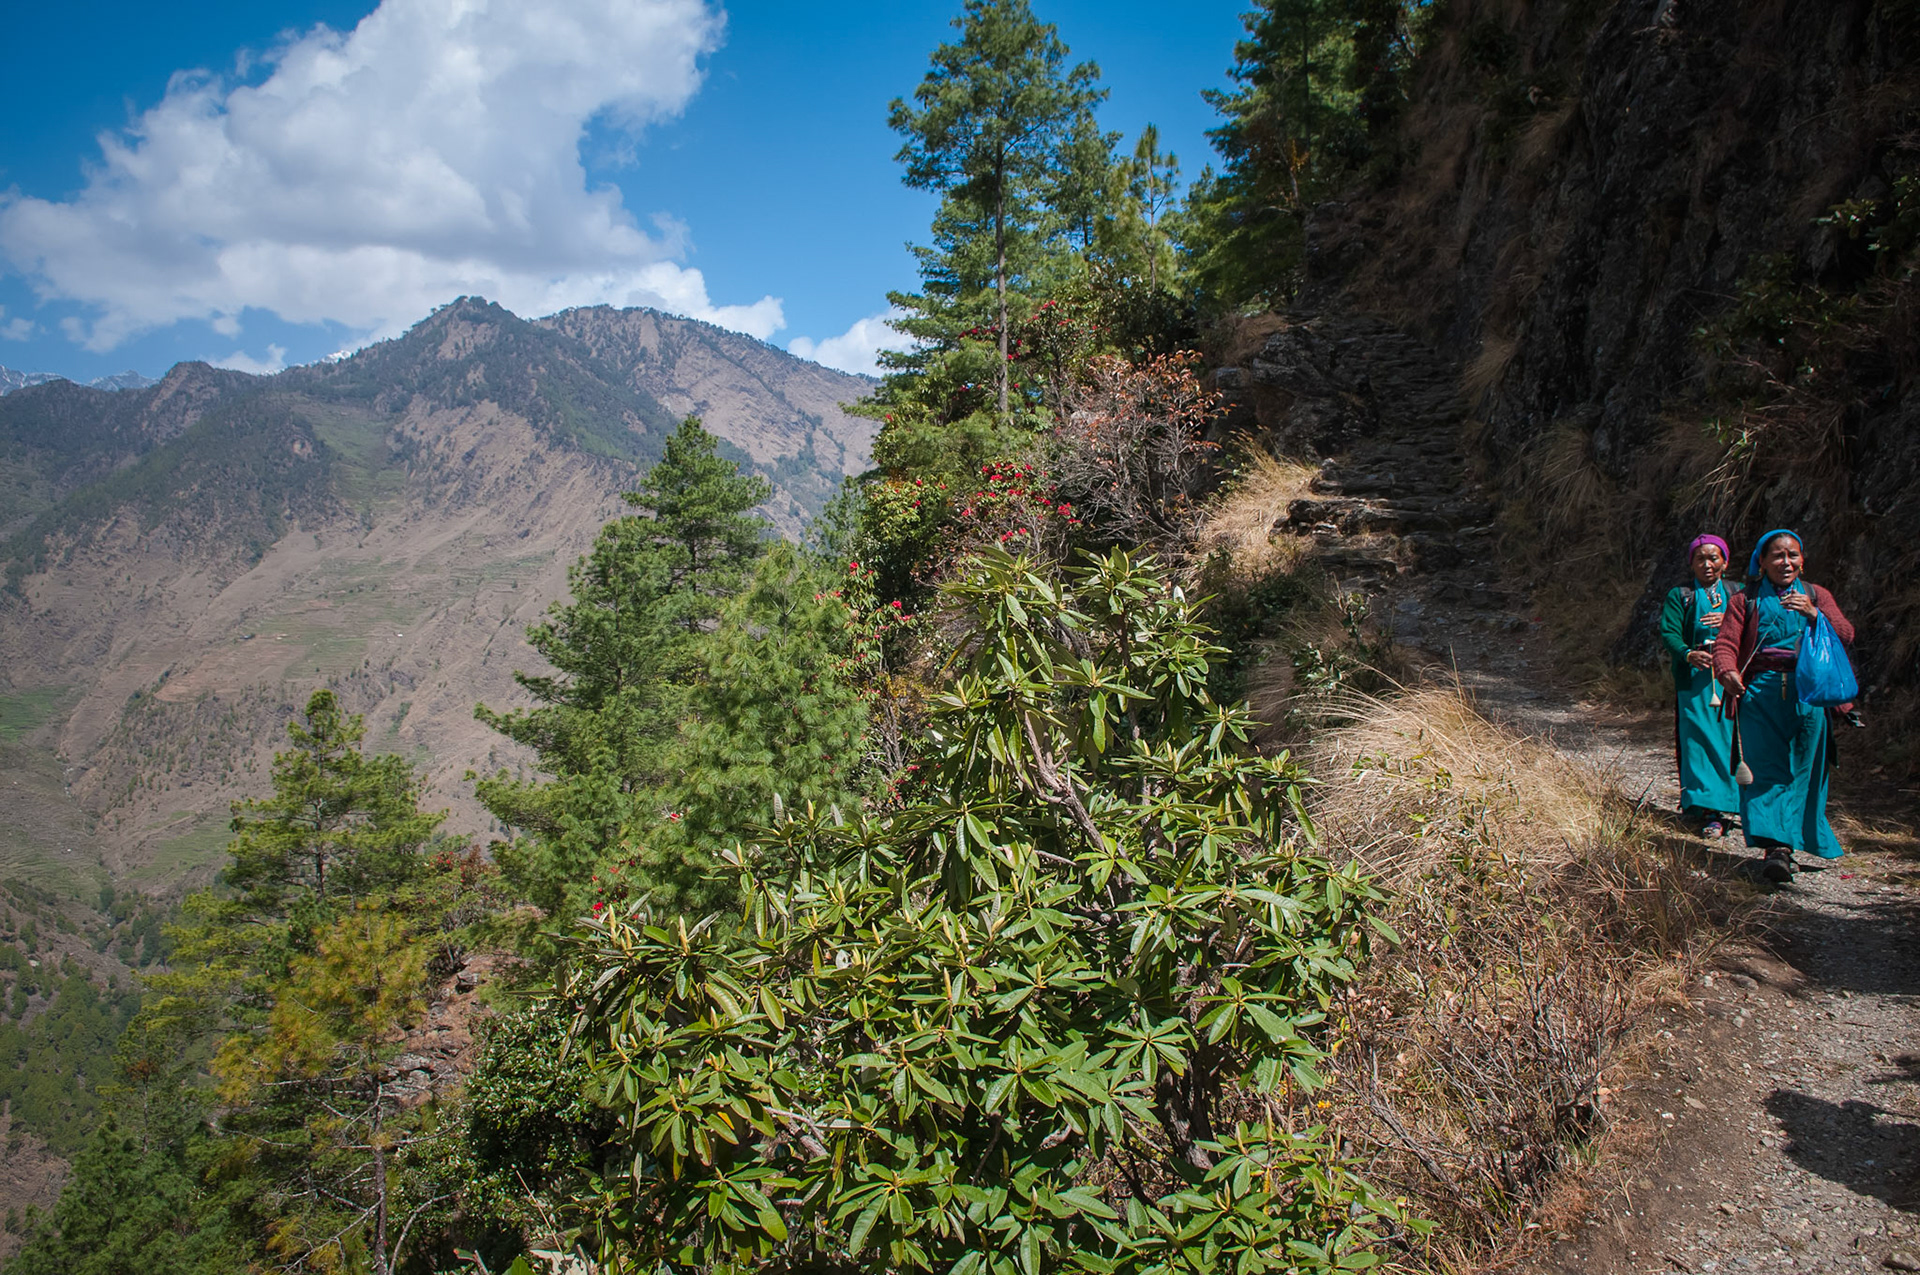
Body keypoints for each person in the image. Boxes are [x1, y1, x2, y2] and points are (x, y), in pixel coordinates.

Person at [1712, 528, 1855, 883]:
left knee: (1803, 771)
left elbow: (1846, 634)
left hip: (1809, 695)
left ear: (1802, 561)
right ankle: (1776, 848)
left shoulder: (1816, 596)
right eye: (1777, 555)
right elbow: (1725, 644)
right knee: (1765, 768)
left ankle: (1789, 841)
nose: (1785, 562)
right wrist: (1728, 671)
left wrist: (1813, 615)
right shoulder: (1745, 599)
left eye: (1792, 555)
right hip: (1760, 695)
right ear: (1761, 562)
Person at [1659, 534, 1737, 836]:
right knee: (1698, 741)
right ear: (1691, 563)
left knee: (1732, 740)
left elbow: (1755, 626)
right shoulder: (1681, 595)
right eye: (1700, 558)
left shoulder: (1738, 593)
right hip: (1695, 681)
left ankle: (1734, 802)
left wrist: (1729, 620)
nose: (1707, 564)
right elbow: (1669, 632)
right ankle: (1707, 807)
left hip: (1732, 678)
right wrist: (1687, 653)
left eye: (1713, 558)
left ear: (1725, 562)